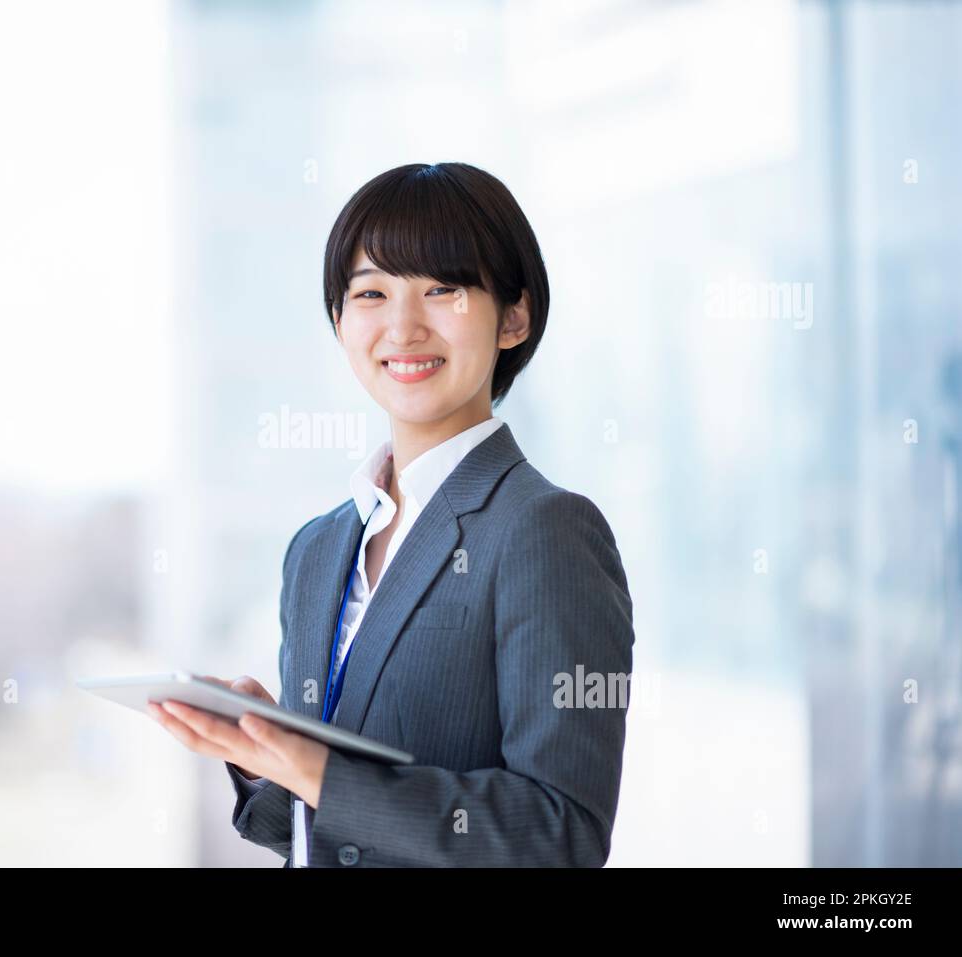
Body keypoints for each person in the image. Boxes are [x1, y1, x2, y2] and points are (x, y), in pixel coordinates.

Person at [149, 162, 635, 867]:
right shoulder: (317, 550)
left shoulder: (544, 530)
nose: (403, 326)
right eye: (371, 292)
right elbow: (321, 828)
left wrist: (315, 767)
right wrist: (262, 751)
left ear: (515, 317)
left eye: (443, 289)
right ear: (341, 319)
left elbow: (560, 835)